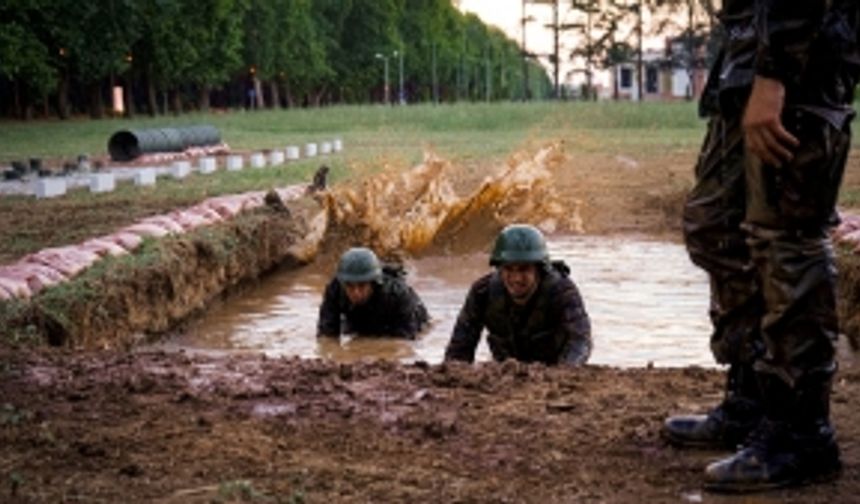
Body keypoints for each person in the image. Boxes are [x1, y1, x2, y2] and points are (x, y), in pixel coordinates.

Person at [663, 1, 859, 492]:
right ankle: (752, 400)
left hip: (800, 57)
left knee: (786, 242)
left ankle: (801, 430)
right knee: (714, 226)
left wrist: (774, 75)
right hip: (748, 52)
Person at [444, 224, 591, 366]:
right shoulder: (482, 292)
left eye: (524, 269)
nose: (516, 278)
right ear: (499, 268)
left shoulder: (561, 291)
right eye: (509, 269)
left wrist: (564, 373)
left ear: (538, 269)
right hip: (507, 372)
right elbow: (459, 349)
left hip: (550, 371)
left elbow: (580, 341)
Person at [317, 247, 429, 339]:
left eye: (362, 286)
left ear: (373, 283)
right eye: (350, 286)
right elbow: (326, 335)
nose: (356, 292)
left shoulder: (397, 294)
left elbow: (405, 341)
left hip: (397, 322)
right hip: (359, 318)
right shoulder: (335, 289)